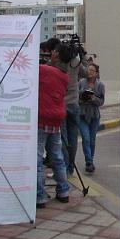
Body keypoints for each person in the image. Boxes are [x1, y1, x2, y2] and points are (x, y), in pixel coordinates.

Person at [47, 38, 86, 178]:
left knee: (62, 139)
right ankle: (70, 169)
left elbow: (46, 71)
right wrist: (83, 56)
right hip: (74, 105)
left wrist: (52, 59)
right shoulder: (75, 63)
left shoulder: (57, 64)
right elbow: (86, 73)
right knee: (73, 138)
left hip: (61, 104)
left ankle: (63, 169)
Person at [37, 53, 71, 208]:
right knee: (57, 157)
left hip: (42, 118)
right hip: (57, 118)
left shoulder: (42, 70)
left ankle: (40, 196)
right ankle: (63, 191)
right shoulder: (65, 77)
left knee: (37, 159)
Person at [78, 63, 105, 173]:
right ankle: (89, 161)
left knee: (92, 140)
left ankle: (90, 161)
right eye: (88, 70)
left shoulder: (100, 85)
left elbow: (101, 102)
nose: (89, 72)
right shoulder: (81, 82)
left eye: (92, 70)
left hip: (94, 116)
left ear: (96, 73)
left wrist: (93, 98)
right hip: (82, 115)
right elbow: (76, 96)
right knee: (86, 138)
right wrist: (82, 94)